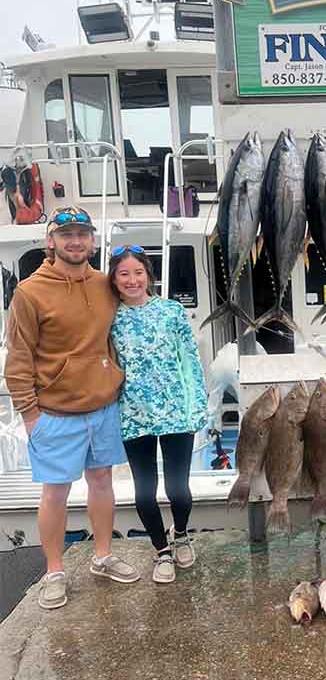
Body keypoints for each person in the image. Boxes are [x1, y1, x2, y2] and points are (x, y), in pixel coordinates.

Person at [4, 206, 139, 610]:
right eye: (66, 235)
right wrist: (29, 415)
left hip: (103, 408)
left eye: (82, 234)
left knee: (102, 484)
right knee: (55, 495)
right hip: (55, 413)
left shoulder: (104, 284)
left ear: (92, 241)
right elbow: (18, 357)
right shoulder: (29, 292)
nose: (75, 241)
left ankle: (102, 556)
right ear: (51, 241)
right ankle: (55, 571)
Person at [108, 246, 207, 584]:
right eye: (124, 273)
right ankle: (161, 549)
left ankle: (181, 533)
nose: (132, 280)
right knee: (144, 491)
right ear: (114, 279)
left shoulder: (172, 311)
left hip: (177, 412)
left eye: (138, 272)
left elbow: (190, 361)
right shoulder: (110, 318)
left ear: (148, 275)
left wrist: (197, 406)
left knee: (178, 488)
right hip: (134, 416)